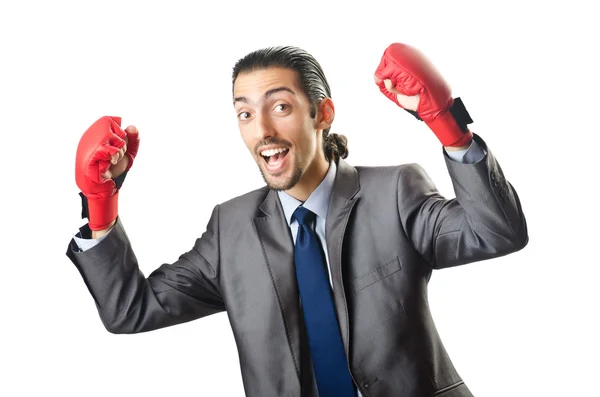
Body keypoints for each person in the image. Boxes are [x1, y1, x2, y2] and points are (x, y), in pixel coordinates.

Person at [66, 42, 528, 397]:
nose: (262, 129)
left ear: (322, 113)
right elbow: (131, 311)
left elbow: (496, 233)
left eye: (280, 106)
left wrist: (448, 124)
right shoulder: (231, 229)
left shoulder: (394, 193)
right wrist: (100, 203)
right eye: (245, 113)